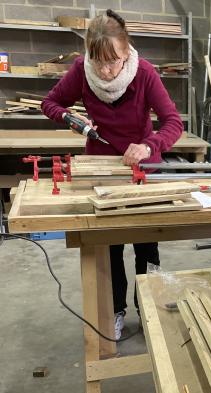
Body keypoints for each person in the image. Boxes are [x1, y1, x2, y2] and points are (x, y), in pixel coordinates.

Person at [42, 10, 183, 339]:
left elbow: (173, 122)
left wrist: (149, 145)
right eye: (99, 62)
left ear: (127, 51)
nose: (106, 71)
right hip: (102, 169)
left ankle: (149, 309)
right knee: (110, 246)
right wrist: (71, 119)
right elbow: (50, 103)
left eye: (114, 61)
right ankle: (115, 309)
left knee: (147, 245)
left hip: (143, 167)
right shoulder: (81, 70)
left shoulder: (144, 73)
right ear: (89, 54)